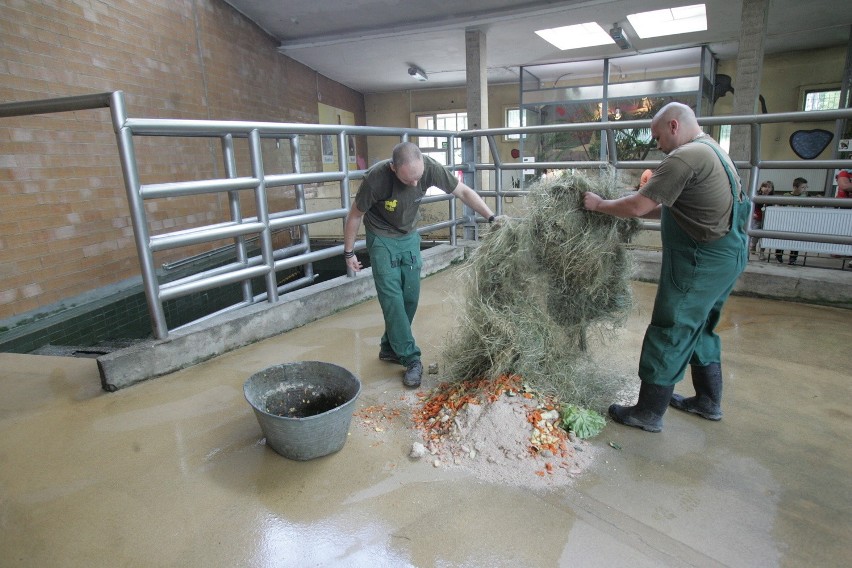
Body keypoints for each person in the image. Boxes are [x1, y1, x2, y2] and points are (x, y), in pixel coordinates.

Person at [582, 102, 748, 433]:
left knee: (670, 328)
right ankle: (708, 402)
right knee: (700, 326)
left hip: (700, 258)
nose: (657, 144)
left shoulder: (685, 156)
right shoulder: (712, 149)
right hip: (727, 254)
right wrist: (631, 206)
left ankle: (648, 412)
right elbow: (670, 206)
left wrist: (599, 205)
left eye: (657, 136)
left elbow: (639, 204)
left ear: (674, 126)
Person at [343, 142, 498, 388]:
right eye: (409, 180)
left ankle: (389, 347)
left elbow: (464, 192)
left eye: (418, 178)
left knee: (410, 296)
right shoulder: (376, 179)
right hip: (381, 237)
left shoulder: (430, 168)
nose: (416, 184)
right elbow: (355, 215)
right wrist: (349, 252)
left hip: (409, 235)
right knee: (392, 298)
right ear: (394, 168)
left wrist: (492, 217)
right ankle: (411, 358)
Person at [751, 180, 782, 260]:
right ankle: (753, 245)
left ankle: (762, 252)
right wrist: (753, 213)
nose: (767, 189)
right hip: (757, 218)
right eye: (765, 186)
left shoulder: (772, 198)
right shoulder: (756, 196)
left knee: (764, 237)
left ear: (772, 189)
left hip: (768, 220)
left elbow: (776, 206)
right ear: (761, 188)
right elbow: (752, 205)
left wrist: (776, 207)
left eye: (769, 187)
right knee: (755, 234)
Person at [781, 177, 808, 265]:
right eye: (803, 187)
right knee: (782, 238)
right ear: (795, 187)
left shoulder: (805, 197)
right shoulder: (786, 196)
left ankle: (793, 257)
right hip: (787, 220)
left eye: (806, 187)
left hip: (799, 221)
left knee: (796, 239)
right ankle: (779, 254)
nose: (804, 189)